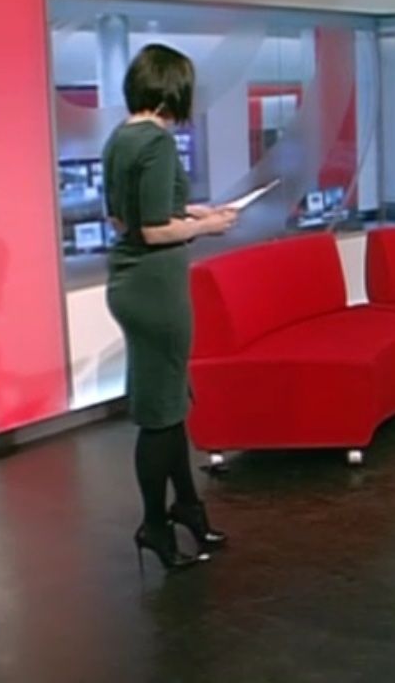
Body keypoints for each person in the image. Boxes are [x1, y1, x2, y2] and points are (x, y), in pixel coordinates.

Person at [104, 43, 237, 572]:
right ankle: (154, 526)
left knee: (169, 402)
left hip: (129, 283)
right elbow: (155, 230)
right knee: (160, 415)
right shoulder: (157, 142)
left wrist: (192, 212)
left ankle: (188, 508)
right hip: (155, 288)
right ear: (172, 91)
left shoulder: (120, 138)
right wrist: (211, 226)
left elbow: (126, 219)